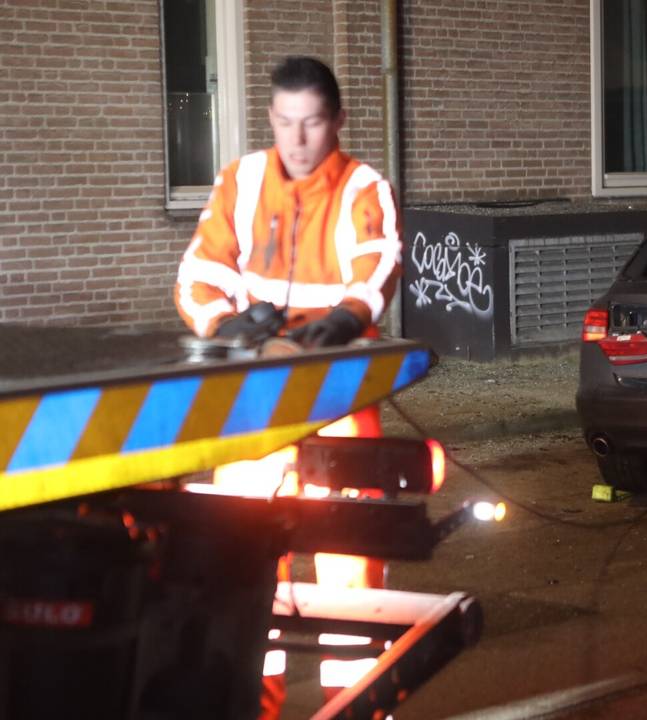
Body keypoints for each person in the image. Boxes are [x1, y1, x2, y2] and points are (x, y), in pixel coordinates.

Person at [173, 56, 400, 719]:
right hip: (254, 410)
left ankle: (353, 708)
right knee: (243, 572)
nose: (299, 142)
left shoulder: (363, 187)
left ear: (337, 121)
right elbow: (198, 271)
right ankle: (249, 709)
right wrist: (225, 322)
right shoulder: (241, 182)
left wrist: (348, 315)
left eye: (314, 124)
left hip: (335, 407)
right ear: (271, 118)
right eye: (286, 124)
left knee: (349, 579)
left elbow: (376, 262)